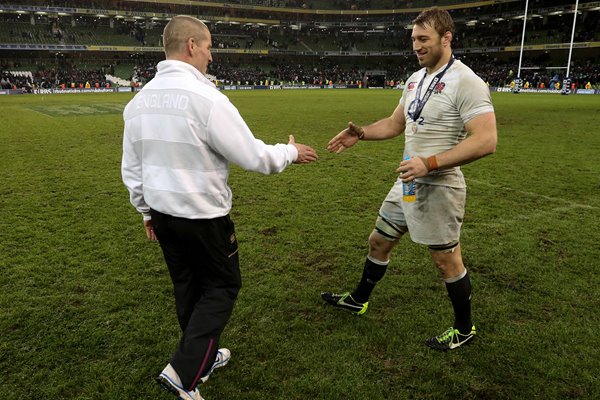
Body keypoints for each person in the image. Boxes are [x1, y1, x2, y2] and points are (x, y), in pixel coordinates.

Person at [121, 15, 317, 400]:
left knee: (188, 287)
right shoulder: (207, 98)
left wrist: (145, 211)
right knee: (223, 285)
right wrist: (290, 151)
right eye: (209, 47)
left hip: (163, 215)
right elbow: (254, 156)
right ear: (191, 46)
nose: (211, 56)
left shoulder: (138, 101)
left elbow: (132, 167)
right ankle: (184, 371)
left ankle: (201, 360)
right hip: (203, 216)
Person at [321, 7, 497, 351]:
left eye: (423, 39)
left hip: (439, 186)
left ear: (447, 38)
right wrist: (361, 133)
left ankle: (464, 329)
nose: (415, 46)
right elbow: (395, 124)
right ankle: (358, 299)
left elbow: (486, 139)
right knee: (379, 241)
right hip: (409, 181)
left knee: (446, 260)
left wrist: (429, 163)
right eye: (414, 39)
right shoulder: (416, 79)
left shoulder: (467, 81)